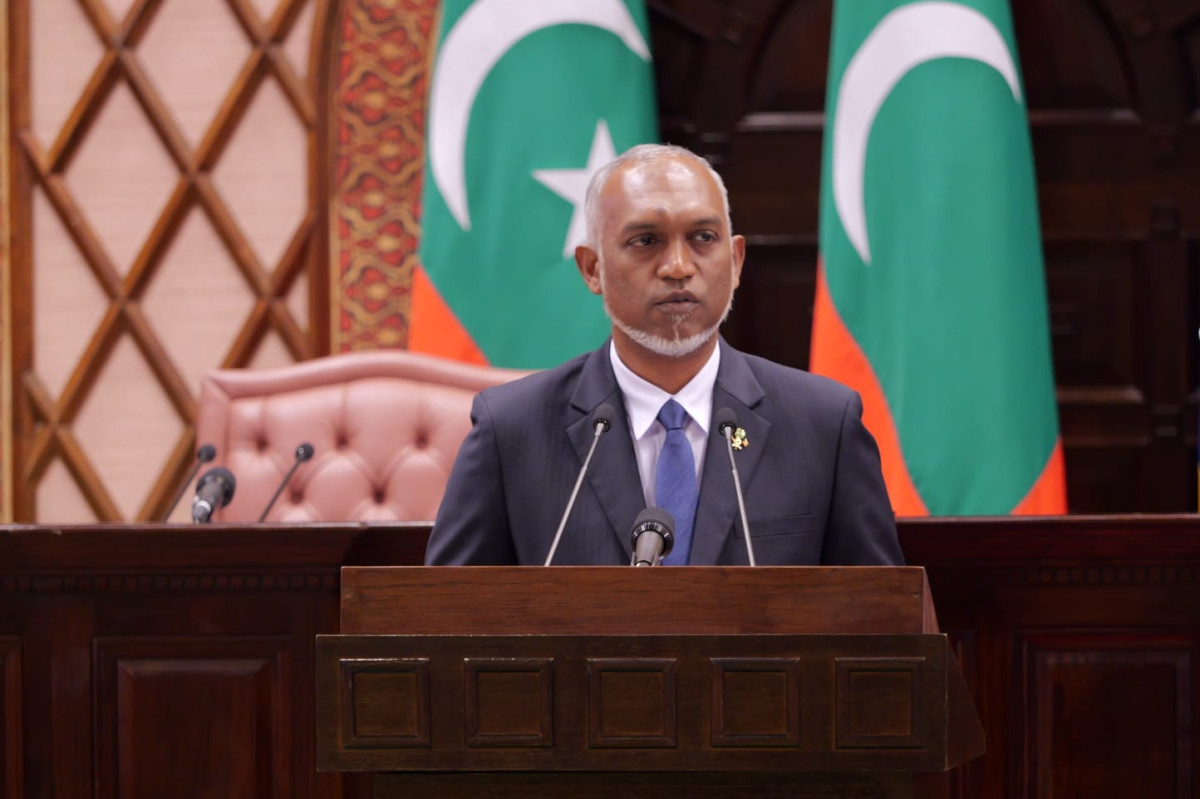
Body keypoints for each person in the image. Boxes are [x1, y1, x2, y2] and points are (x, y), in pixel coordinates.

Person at [425, 144, 902, 566]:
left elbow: (883, 629)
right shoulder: (512, 431)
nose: (678, 267)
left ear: (735, 262)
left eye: (703, 238)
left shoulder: (823, 424)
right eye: (646, 241)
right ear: (593, 269)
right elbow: (446, 627)